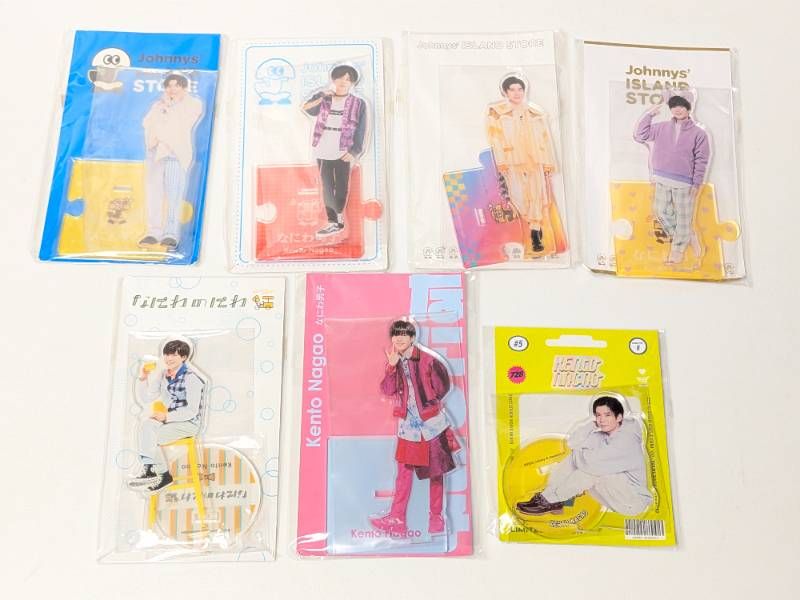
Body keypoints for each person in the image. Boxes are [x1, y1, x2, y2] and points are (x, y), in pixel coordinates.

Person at [371, 320, 460, 536]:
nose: (399, 338)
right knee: (403, 473)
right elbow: (388, 390)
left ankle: (436, 519)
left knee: (436, 472)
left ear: (412, 337)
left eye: (404, 334)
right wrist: (391, 367)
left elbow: (443, 386)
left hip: (432, 425)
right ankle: (397, 519)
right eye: (396, 335)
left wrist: (428, 404)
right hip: (408, 427)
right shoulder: (395, 361)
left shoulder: (428, 360)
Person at [516, 395, 652, 517]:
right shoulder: (602, 435)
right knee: (574, 459)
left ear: (619, 417)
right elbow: (572, 443)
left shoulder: (627, 439)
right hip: (615, 495)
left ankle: (551, 499)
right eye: (598, 415)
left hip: (633, 501)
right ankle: (550, 499)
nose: (602, 420)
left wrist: (582, 456)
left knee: (592, 472)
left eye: (607, 415)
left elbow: (593, 466)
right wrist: (591, 426)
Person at [633, 91, 710, 264]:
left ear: (689, 107)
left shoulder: (699, 134)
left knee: (684, 217)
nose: (677, 109)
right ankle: (687, 235)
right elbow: (640, 135)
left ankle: (677, 251)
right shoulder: (661, 127)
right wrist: (649, 115)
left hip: (685, 182)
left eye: (682, 105)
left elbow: (702, 160)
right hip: (661, 178)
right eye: (674, 106)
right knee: (660, 210)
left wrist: (697, 183)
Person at [486, 75, 559, 255]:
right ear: (505, 92)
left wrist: (548, 162)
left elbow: (545, 139)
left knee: (537, 197)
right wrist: (501, 161)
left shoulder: (536, 113)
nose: (517, 93)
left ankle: (535, 234)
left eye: (520, 89)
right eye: (512, 89)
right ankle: (527, 227)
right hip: (512, 161)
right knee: (517, 197)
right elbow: (495, 139)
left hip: (535, 160)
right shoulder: (497, 113)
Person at [128, 339, 205, 494]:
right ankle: (149, 469)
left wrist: (166, 416)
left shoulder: (191, 378)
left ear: (184, 357)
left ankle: (163, 475)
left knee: (152, 436)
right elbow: (147, 398)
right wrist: (143, 378)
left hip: (189, 423)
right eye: (167, 354)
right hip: (171, 421)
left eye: (174, 355)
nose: (169, 358)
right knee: (146, 425)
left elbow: (191, 411)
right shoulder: (165, 376)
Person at [301, 64, 367, 239]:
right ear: (333, 79)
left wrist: (354, 151)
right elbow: (306, 108)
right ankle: (332, 222)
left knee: (342, 185)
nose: (344, 82)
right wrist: (322, 95)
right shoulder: (325, 98)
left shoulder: (358, 103)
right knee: (327, 185)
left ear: (352, 83)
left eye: (348, 79)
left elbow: (361, 129)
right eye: (340, 78)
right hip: (323, 146)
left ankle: (339, 218)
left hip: (343, 148)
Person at [140, 73, 203, 250]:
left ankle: (171, 233)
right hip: (156, 152)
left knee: (174, 194)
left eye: (176, 85)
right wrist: (155, 136)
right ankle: (153, 232)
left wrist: (167, 112)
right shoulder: (158, 105)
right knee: (154, 192)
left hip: (176, 154)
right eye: (169, 86)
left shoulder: (193, 104)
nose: (172, 89)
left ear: (184, 87)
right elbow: (147, 123)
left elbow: (181, 124)